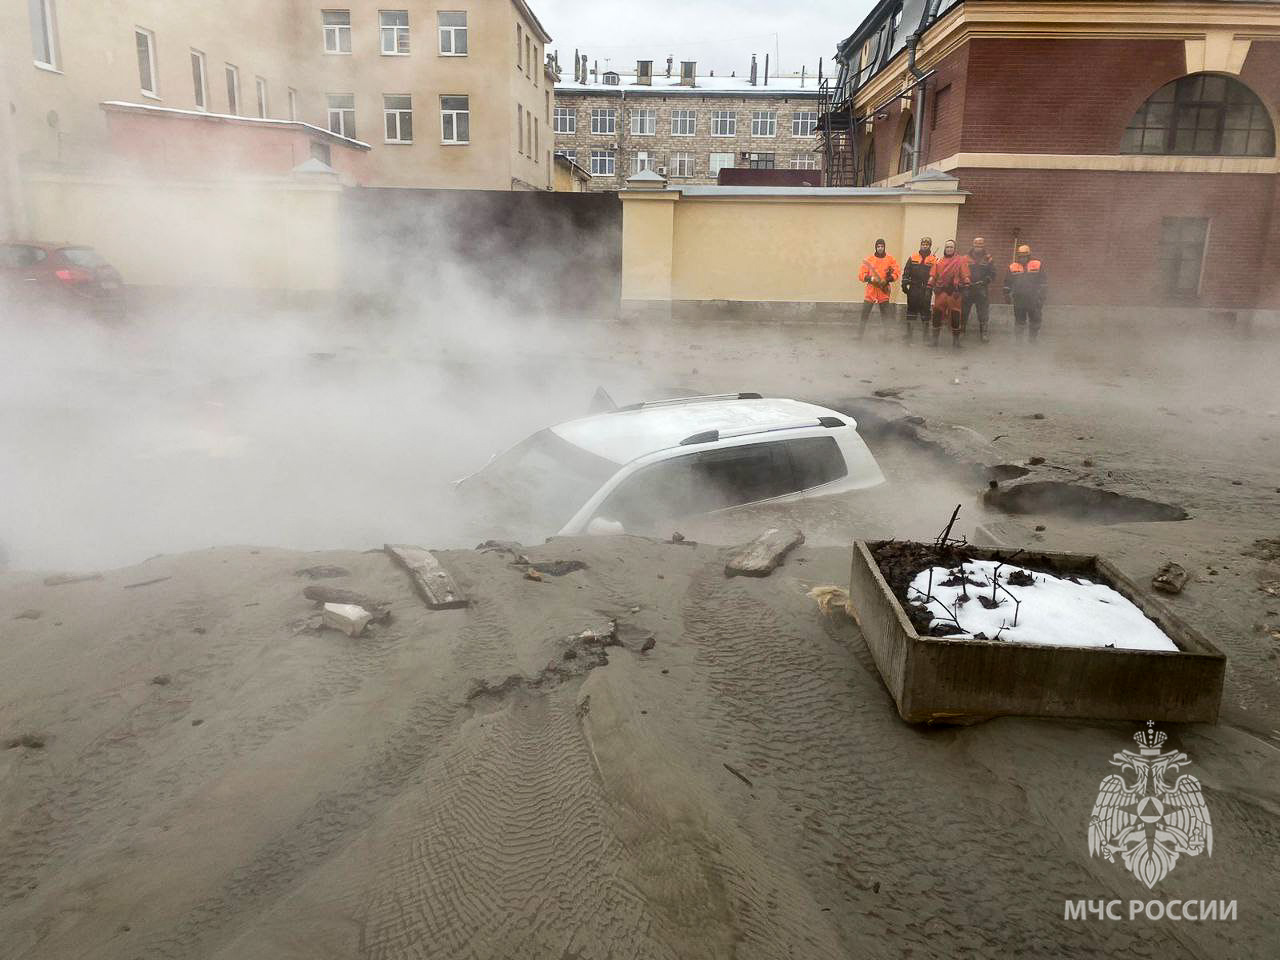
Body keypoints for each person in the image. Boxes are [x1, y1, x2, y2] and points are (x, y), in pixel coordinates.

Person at [928, 239, 971, 347]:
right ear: (944, 248)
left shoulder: (960, 261)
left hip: (954, 293)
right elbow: (933, 276)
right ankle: (934, 341)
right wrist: (928, 287)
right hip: (941, 293)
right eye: (947, 247)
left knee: (956, 316)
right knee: (936, 315)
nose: (949, 249)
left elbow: (965, 276)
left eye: (951, 247)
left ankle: (956, 341)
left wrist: (966, 287)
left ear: (955, 248)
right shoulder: (938, 261)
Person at [857, 239, 899, 340]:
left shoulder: (891, 259)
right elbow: (861, 275)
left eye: (882, 246)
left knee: (885, 314)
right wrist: (871, 279)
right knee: (865, 313)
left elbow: (896, 272)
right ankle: (859, 335)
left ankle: (887, 335)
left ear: (884, 247)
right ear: (875, 247)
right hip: (871, 289)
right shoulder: (869, 260)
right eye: (878, 246)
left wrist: (887, 279)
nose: (880, 248)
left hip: (883, 289)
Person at [1003, 243, 1047, 342]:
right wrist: (1006, 294)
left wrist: (1042, 296)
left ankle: (1032, 339)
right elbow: (1007, 282)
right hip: (1019, 298)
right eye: (1021, 256)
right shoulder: (1013, 266)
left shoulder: (1037, 264)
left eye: (1024, 256)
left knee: (1035, 320)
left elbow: (1043, 281)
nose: (1022, 258)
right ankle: (1019, 341)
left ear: (1028, 255)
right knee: (1019, 321)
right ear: (1018, 256)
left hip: (1034, 298)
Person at [900, 236, 936, 343]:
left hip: (926, 289)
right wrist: (904, 284)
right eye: (923, 244)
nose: (924, 246)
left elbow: (935, 275)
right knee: (911, 311)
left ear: (930, 246)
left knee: (925, 312)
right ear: (920, 245)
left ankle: (926, 336)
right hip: (914, 288)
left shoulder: (934, 259)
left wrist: (930, 288)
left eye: (927, 244)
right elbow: (906, 271)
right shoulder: (913, 257)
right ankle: (909, 334)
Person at [962, 237, 995, 343]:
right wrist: (965, 282)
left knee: (983, 312)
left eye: (980, 246)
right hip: (968, 288)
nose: (978, 248)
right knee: (964, 311)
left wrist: (985, 281)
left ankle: (984, 334)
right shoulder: (965, 258)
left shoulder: (988, 258)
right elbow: (960, 271)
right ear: (973, 245)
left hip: (982, 289)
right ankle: (962, 331)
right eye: (976, 245)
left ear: (983, 245)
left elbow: (993, 273)